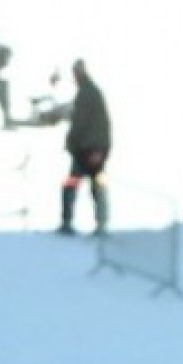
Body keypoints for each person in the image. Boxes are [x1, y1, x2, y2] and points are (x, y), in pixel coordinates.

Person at [57, 59, 111, 236]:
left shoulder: (86, 93)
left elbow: (79, 122)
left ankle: (68, 222)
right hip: (97, 149)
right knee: (98, 184)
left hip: (88, 150)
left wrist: (70, 142)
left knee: (73, 184)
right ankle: (101, 223)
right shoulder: (91, 91)